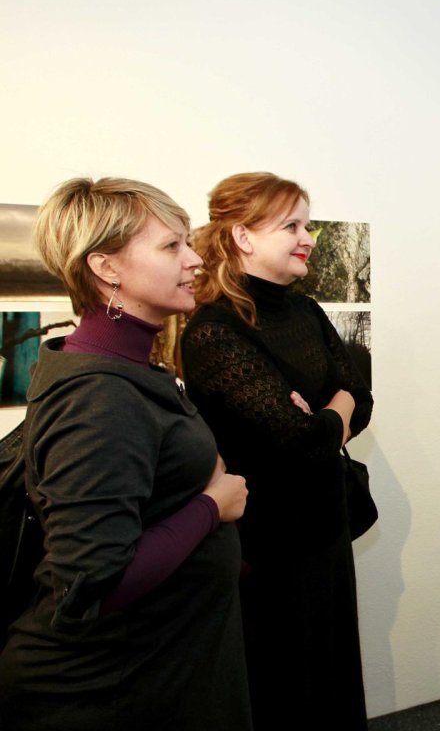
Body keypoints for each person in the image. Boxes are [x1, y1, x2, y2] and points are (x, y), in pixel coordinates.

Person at [0, 178, 251, 730]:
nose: (194, 260)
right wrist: (213, 505)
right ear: (106, 267)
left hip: (154, 666)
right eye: (171, 246)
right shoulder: (99, 396)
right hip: (107, 691)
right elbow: (97, 581)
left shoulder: (123, 369)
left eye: (188, 242)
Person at [181, 172, 373, 731]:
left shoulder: (306, 311)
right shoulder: (214, 331)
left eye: (306, 225)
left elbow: (360, 396)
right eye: (292, 226)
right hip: (268, 547)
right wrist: (331, 414)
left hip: (327, 525)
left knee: (333, 676)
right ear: (243, 236)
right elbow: (302, 440)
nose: (308, 238)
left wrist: (323, 416)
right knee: (285, 689)